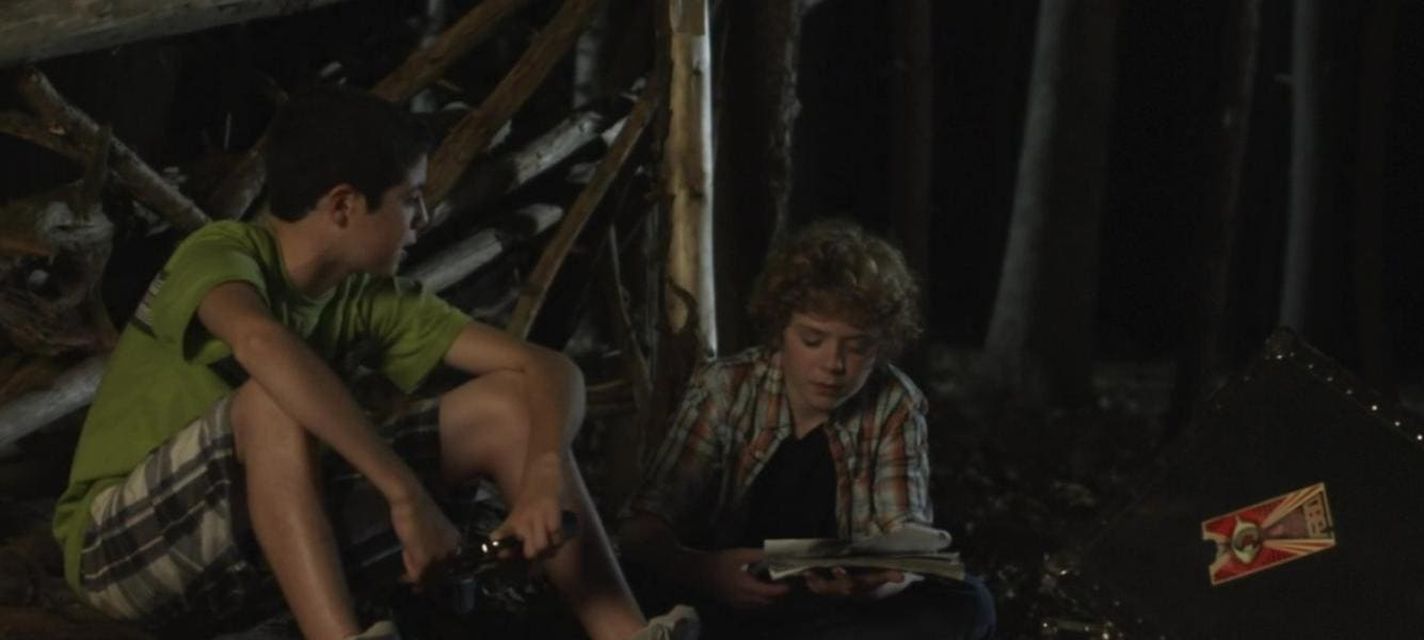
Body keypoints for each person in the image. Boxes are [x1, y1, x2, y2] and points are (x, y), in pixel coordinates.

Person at [50, 86, 685, 640]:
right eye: (411, 200)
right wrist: (405, 495)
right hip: (121, 555)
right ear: (344, 206)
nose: (422, 219)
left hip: (260, 552)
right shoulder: (220, 253)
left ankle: (626, 635)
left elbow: (547, 370)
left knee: (511, 407)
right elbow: (261, 346)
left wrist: (543, 471)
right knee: (274, 396)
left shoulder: (366, 297)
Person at [617, 220, 995, 639]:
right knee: (628, 584)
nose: (833, 364)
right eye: (813, 340)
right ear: (781, 330)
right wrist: (708, 572)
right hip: (728, 592)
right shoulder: (727, 387)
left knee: (968, 602)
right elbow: (641, 529)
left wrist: (872, 586)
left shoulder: (894, 402)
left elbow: (906, 545)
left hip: (836, 610)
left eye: (857, 347)